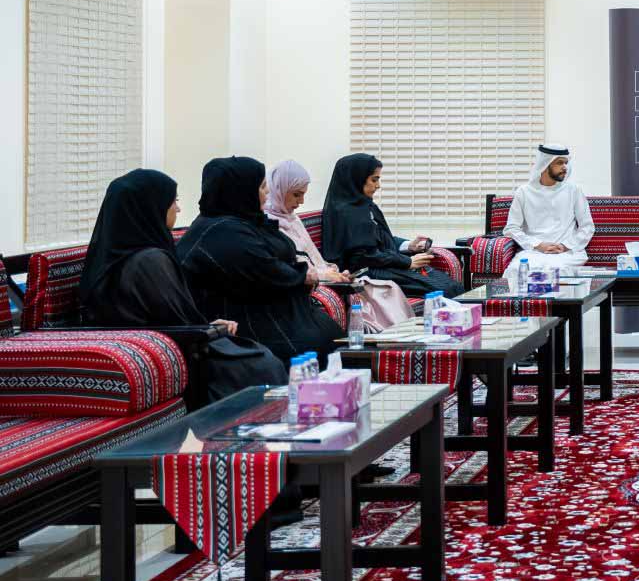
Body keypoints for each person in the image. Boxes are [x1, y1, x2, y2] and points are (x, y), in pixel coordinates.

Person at [78, 169, 286, 402]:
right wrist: (208, 330)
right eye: (173, 201)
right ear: (152, 207)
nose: (177, 209)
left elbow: (172, 317)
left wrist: (207, 326)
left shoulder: (115, 255)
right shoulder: (149, 261)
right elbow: (176, 322)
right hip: (166, 351)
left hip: (150, 346)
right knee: (262, 362)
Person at [176, 157, 344, 367]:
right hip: (247, 323)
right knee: (317, 348)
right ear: (239, 191)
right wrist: (303, 275)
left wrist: (302, 273)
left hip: (275, 314)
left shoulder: (246, 222)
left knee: (336, 344)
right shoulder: (219, 231)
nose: (267, 192)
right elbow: (265, 271)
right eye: (262, 187)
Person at [265, 159, 410, 330]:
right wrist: (326, 275)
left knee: (389, 289)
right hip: (305, 289)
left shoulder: (292, 218)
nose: (302, 201)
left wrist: (334, 272)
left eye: (303, 194)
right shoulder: (268, 224)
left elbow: (314, 258)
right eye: (297, 195)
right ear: (278, 190)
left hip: (325, 279)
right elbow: (293, 266)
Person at [319, 153, 461, 298]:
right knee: (444, 290)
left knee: (452, 286)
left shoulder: (364, 206)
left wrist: (409, 246)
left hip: (384, 266)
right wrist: (407, 261)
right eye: (374, 179)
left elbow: (377, 239)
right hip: (367, 275)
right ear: (356, 179)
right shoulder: (346, 212)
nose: (378, 186)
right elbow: (362, 257)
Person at [503, 143, 594, 283]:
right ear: (545, 164)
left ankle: (554, 299)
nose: (565, 167)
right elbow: (511, 228)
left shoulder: (573, 190)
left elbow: (587, 226)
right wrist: (538, 244)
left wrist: (566, 245)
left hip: (567, 253)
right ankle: (523, 299)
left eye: (566, 163)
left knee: (556, 271)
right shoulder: (524, 192)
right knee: (516, 270)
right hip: (534, 252)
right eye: (559, 163)